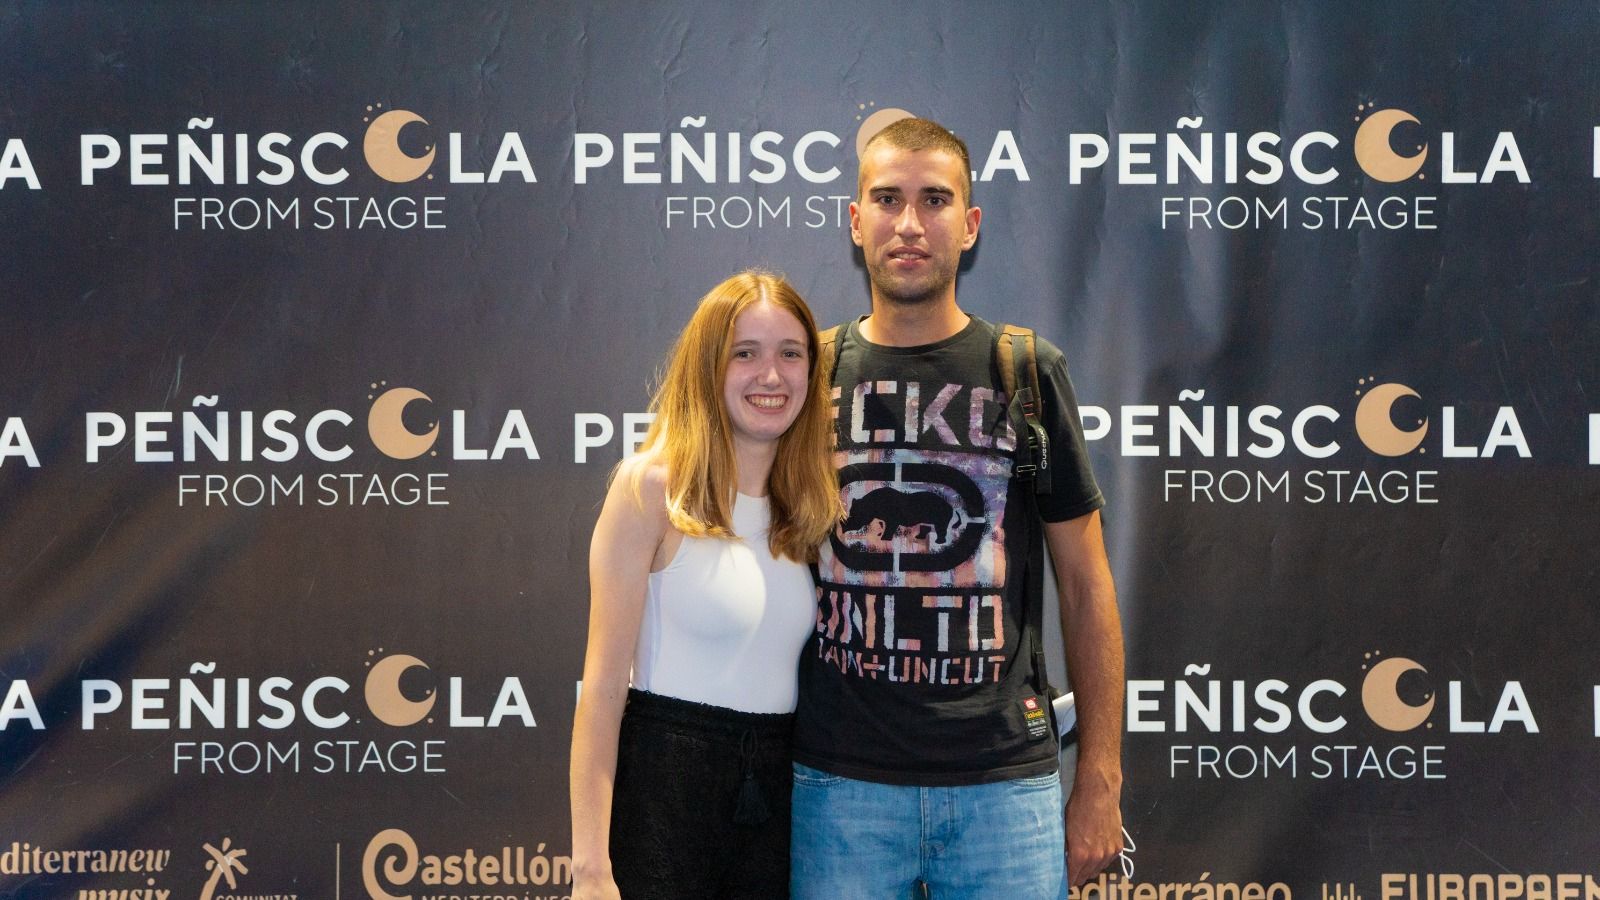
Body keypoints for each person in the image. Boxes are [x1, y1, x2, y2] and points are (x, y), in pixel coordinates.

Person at [790, 117, 1126, 899]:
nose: (909, 223)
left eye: (934, 200)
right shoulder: (810, 374)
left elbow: (1086, 584)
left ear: (969, 225)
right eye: (887, 199)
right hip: (837, 790)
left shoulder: (1026, 370)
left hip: (1003, 789)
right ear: (855, 220)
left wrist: (1100, 779)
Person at [570, 271, 841, 900]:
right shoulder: (651, 489)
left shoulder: (808, 507)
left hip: (776, 801)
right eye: (745, 353)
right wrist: (590, 869)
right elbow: (603, 689)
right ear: (707, 365)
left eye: (790, 354)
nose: (771, 375)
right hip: (662, 795)